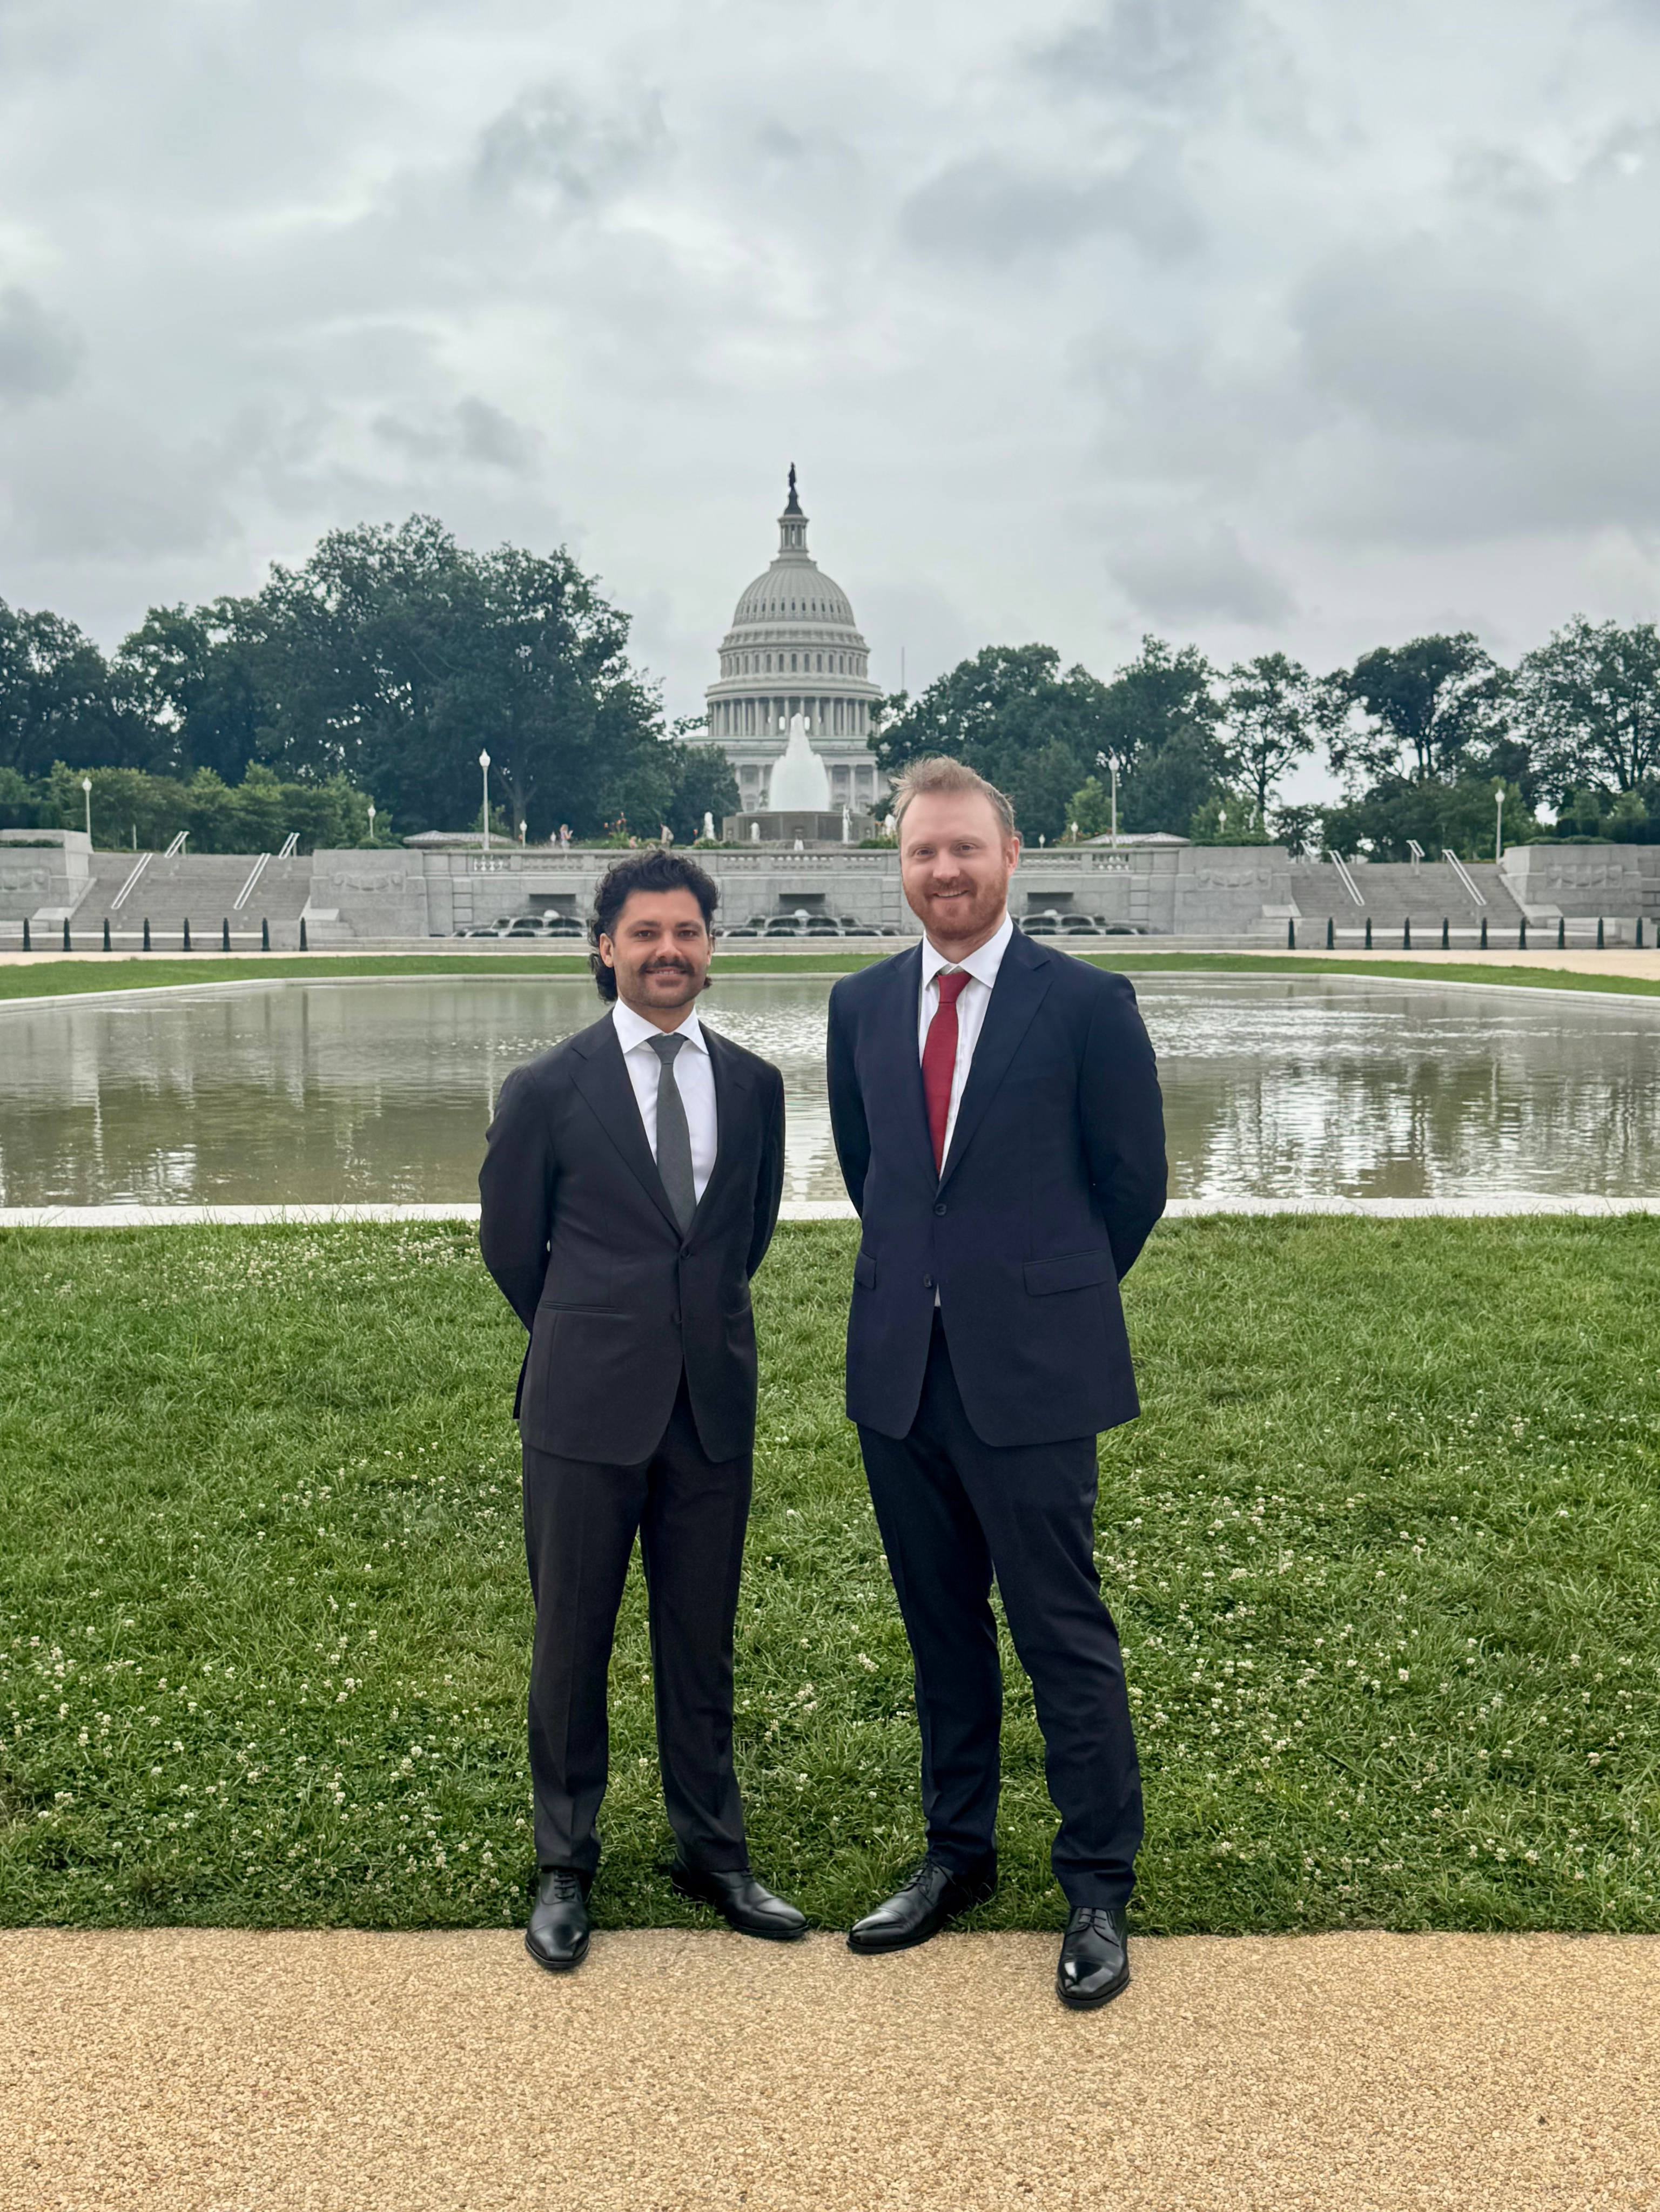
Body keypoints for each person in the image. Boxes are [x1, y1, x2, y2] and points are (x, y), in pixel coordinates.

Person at [825, 757, 1166, 2009]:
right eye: (924, 853)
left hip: (1032, 1368)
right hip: (902, 1372)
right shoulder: (859, 1005)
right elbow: (877, 1177)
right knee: (939, 1631)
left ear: (1010, 855)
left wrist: (1036, 1291)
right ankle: (956, 1854)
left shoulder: (1085, 1002)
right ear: (900, 865)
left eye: (966, 849)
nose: (946, 871)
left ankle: (1096, 1884)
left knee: (1060, 1629)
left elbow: (1132, 1184)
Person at [479, 847, 804, 1972]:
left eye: (688, 931)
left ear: (712, 947)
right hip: (582, 1406)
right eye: (645, 933)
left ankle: (711, 1848)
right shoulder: (546, 1089)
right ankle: (565, 1859)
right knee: (571, 1638)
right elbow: (514, 1252)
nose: (669, 950)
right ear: (605, 946)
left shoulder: (758, 1087)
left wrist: (681, 1330)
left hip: (709, 1401)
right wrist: (597, 1330)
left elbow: (742, 1238)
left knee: (699, 1637)